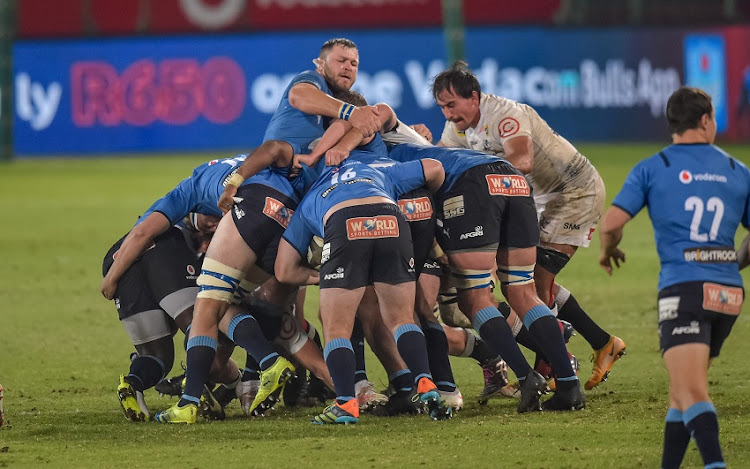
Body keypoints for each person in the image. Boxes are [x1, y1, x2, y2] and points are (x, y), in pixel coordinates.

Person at [154, 38, 378, 424]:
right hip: (293, 221)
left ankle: (196, 401)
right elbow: (301, 94)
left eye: (354, 63)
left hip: (260, 204)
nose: (348, 66)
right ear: (320, 64)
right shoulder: (323, 102)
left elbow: (276, 143)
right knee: (267, 306)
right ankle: (350, 391)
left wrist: (235, 180)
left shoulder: (329, 112)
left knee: (209, 304)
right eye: (341, 60)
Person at [432, 61, 625, 390]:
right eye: (442, 108)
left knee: (535, 281)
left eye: (451, 105)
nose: (448, 114)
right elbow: (440, 161)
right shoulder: (458, 129)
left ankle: (551, 367)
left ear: (474, 97)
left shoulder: (506, 116)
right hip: (531, 198)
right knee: (518, 277)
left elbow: (522, 162)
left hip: (573, 191)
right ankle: (601, 342)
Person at [599, 86, 750, 469]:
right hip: (728, 294)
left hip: (684, 292)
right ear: (705, 120)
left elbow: (611, 223)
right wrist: (730, 261)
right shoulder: (737, 170)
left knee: (693, 390)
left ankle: (715, 464)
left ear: (673, 125)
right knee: (680, 392)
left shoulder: (655, 167)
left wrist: (608, 249)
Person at [275, 150, 452, 424]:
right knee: (402, 319)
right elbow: (434, 167)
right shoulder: (378, 171)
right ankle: (426, 384)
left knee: (337, 329)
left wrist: (327, 277)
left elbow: (283, 270)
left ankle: (346, 404)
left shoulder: (311, 197)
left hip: (342, 221)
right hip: (391, 218)